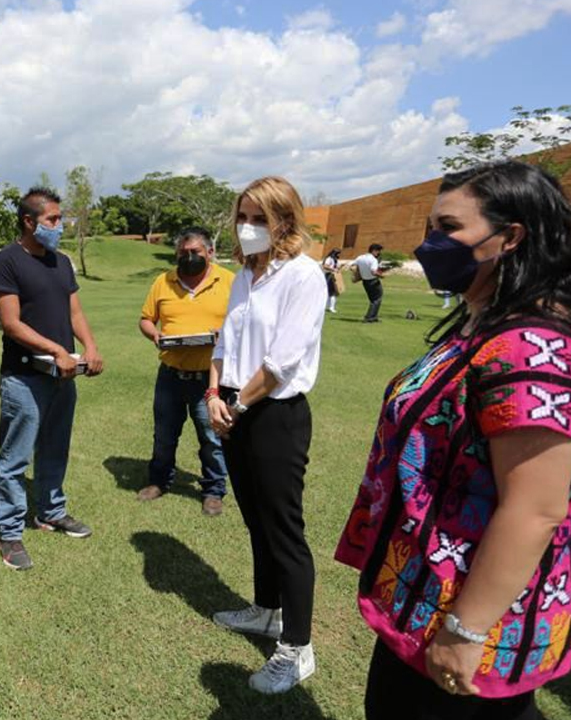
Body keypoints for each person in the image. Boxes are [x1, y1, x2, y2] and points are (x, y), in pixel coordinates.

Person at [335, 161, 571, 720]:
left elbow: (536, 509)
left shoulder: (532, 347)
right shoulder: (486, 324)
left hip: (471, 617)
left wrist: (465, 629)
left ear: (509, 237)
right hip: (428, 595)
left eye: (449, 228)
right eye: (431, 227)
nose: (432, 243)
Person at [206, 176, 327, 694]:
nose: (249, 226)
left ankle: (297, 648)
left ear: (285, 220)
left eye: (260, 217)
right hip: (232, 406)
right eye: (243, 216)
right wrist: (214, 393)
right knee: (255, 519)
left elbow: (283, 360)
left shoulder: (303, 276)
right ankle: (266, 610)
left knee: (284, 531)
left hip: (273, 414)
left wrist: (234, 403)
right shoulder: (242, 276)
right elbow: (223, 343)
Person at [0, 187, 104, 571]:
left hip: (62, 376)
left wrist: (89, 346)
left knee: (56, 448)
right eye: (53, 219)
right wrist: (55, 349)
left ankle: (51, 512)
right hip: (24, 378)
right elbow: (11, 323)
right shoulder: (7, 262)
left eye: (59, 218)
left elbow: (75, 312)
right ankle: (9, 531)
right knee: (15, 458)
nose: (59, 226)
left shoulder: (61, 262)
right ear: (28, 221)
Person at [135, 227, 234, 515]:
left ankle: (213, 491)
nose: (189, 257)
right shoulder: (163, 281)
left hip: (210, 377)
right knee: (164, 434)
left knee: (212, 437)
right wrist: (154, 334)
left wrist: (224, 334)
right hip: (171, 375)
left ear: (210, 253)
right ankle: (159, 482)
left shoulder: (228, 281)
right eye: (184, 253)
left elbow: (243, 323)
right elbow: (145, 319)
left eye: (196, 253)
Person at [356, 243, 387, 322]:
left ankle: (374, 316)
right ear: (373, 250)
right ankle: (369, 317)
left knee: (373, 300)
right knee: (377, 299)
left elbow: (352, 266)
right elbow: (373, 271)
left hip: (365, 281)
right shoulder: (373, 260)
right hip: (373, 281)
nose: (379, 253)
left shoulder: (360, 257)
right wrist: (381, 275)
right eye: (378, 251)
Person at [321, 248, 342, 313]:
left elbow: (337, 267)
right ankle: (331, 307)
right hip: (329, 275)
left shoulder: (336, 260)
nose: (339, 255)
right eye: (338, 254)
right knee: (332, 292)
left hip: (334, 275)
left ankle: (328, 306)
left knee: (333, 292)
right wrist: (333, 269)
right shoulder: (329, 259)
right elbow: (325, 266)